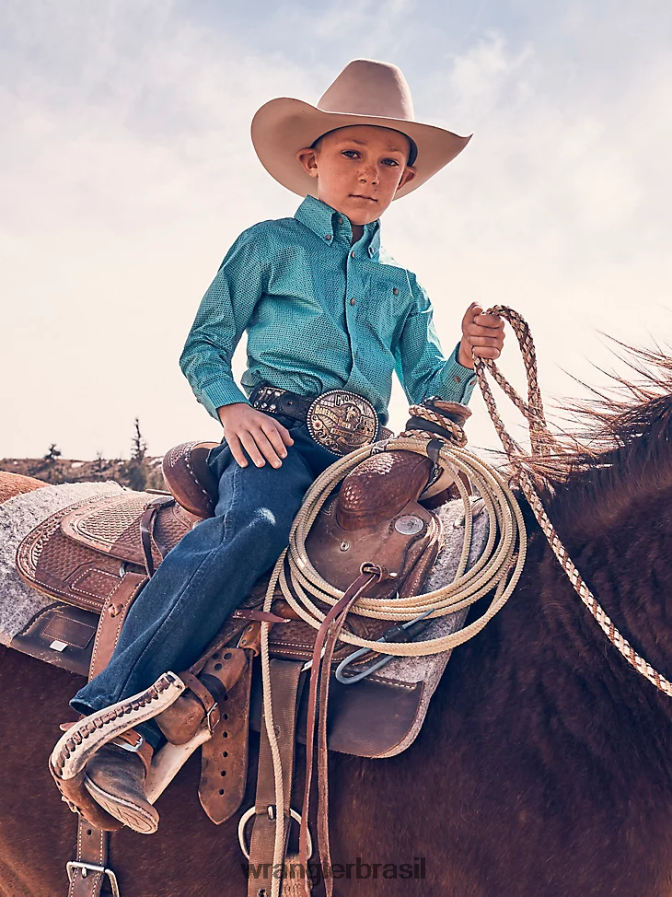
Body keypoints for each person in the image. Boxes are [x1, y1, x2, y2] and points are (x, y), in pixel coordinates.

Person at [61, 58, 505, 834]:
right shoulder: (267, 245)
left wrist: (466, 356)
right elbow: (203, 345)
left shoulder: (401, 287)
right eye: (351, 154)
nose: (370, 174)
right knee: (257, 525)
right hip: (273, 432)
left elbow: (428, 382)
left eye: (388, 161)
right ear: (312, 161)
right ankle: (110, 722)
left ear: (404, 177)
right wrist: (231, 410)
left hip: (362, 456)